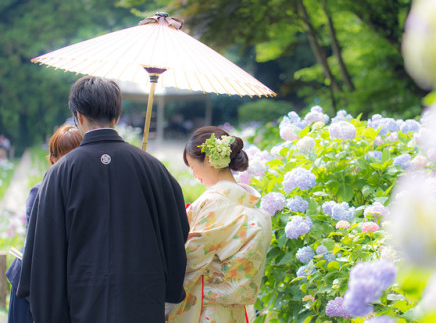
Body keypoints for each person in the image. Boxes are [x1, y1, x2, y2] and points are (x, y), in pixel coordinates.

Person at [17, 76, 190, 323]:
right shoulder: (153, 169)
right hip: (141, 302)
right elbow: (177, 231)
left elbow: (44, 249)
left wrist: (49, 312)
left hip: (79, 304)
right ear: (117, 116)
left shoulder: (59, 174)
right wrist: (168, 289)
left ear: (78, 116)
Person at [166, 126, 272, 322]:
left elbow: (189, 263)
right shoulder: (256, 208)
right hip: (235, 311)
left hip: (203, 310)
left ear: (208, 160)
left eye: (192, 166)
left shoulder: (213, 203)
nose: (194, 174)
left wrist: (163, 305)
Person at [6, 124, 82, 323]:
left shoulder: (85, 192)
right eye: (64, 157)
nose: (70, 162)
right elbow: (44, 242)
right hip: (31, 282)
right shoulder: (39, 192)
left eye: (76, 155)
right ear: (53, 159)